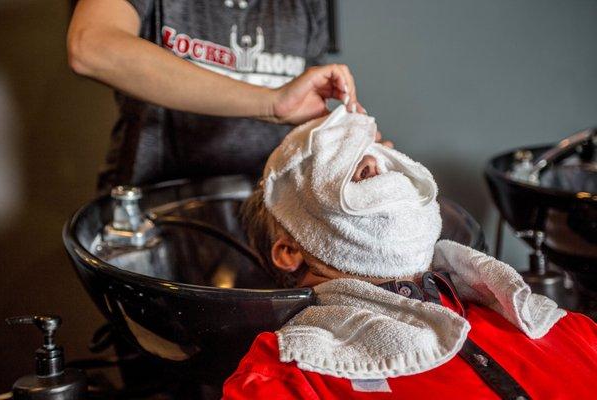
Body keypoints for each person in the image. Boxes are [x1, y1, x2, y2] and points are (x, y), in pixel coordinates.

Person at [223, 105, 597, 399]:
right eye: (334, 158)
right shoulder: (288, 374)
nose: (373, 162)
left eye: (372, 151)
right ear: (289, 251)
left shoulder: (558, 325)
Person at [67, 0, 364, 190]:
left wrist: (349, 147)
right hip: (151, 208)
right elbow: (90, 48)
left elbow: (306, 113)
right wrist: (271, 103)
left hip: (266, 213)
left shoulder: (307, 6)